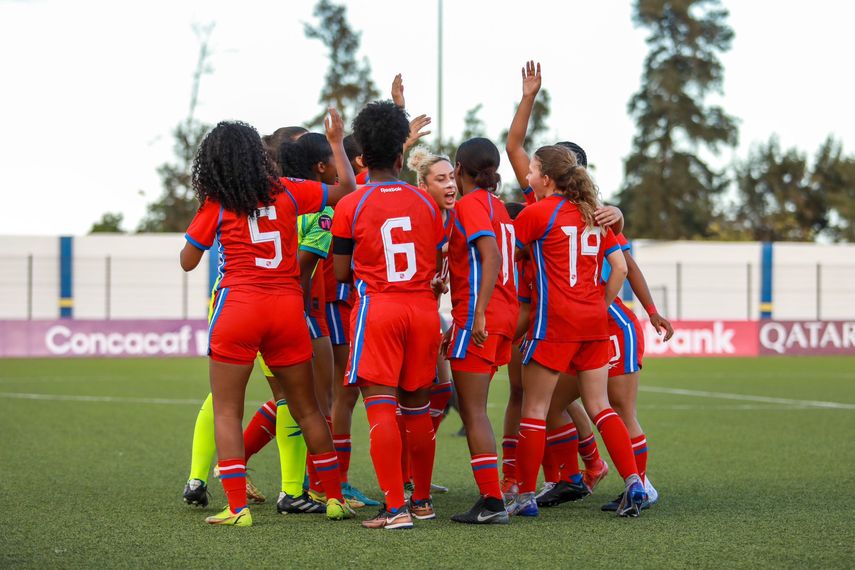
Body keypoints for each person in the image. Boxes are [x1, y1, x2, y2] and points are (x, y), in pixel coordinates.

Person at [180, 111, 356, 526]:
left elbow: (188, 261)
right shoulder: (291, 190)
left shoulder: (218, 201)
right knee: (307, 408)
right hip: (286, 308)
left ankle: (237, 508)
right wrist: (335, 141)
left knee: (227, 410)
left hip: (238, 307)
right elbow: (346, 187)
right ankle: (333, 498)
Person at [508, 144, 646, 518]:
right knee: (600, 406)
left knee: (534, 410)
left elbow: (510, 257)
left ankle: (523, 497)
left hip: (553, 323)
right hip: (593, 324)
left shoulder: (536, 213)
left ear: (547, 178)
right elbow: (619, 268)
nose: (528, 177)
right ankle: (634, 481)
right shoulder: (592, 215)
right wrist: (600, 305)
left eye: (533, 170)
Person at [181, 125, 310, 511]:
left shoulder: (228, 195)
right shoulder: (290, 192)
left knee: (224, 398)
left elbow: (188, 258)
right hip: (277, 302)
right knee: (286, 396)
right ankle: (293, 489)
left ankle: (198, 478)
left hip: (232, 302)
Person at [331, 101, 446, 530]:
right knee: (417, 407)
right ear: (402, 157)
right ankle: (422, 501)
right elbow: (434, 262)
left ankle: (395, 508)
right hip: (423, 310)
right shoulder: (428, 203)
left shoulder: (351, 205)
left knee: (380, 406)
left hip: (378, 309)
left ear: (362, 158)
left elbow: (342, 273)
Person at [443, 137, 519, 525]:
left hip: (481, 318)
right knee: (476, 408)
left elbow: (490, 255)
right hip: (505, 315)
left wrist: (476, 314)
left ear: (458, 169)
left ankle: (491, 501)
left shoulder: (471, 204)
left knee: (473, 411)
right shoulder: (498, 206)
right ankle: (495, 496)